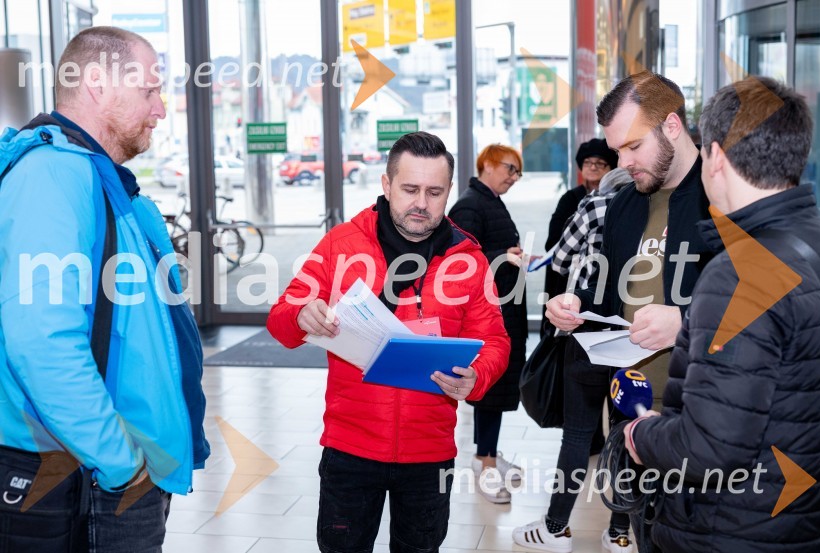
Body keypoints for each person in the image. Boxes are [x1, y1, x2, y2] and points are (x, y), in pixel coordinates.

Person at [0, 26, 209, 552]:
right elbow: (43, 343)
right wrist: (121, 463)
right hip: (83, 475)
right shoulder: (52, 176)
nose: (160, 110)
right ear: (96, 82)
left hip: (106, 470)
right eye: (150, 90)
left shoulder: (101, 180)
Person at [267, 131, 510, 553]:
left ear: (449, 191)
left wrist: (477, 377)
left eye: (435, 192)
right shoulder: (341, 245)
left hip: (429, 450)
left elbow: (495, 340)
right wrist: (299, 313)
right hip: (350, 446)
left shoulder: (468, 260)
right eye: (410, 189)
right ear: (386, 184)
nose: (422, 203)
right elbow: (281, 318)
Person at [624, 78, 820, 552]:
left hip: (730, 529)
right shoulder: (819, 243)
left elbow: (710, 451)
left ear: (715, 156)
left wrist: (642, 434)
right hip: (801, 521)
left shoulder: (739, 275)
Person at [514, 71, 711, 553]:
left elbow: (766, 303)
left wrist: (684, 321)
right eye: (615, 149)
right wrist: (574, 303)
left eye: (631, 147)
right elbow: (605, 288)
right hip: (633, 409)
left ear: (671, 126)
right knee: (646, 535)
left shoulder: (721, 197)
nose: (621, 163)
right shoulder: (625, 204)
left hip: (704, 416)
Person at [448, 144, 528, 504]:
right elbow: (458, 262)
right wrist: (503, 257)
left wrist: (509, 257)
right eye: (510, 169)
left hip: (503, 307)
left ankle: (486, 454)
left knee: (495, 389)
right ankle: (487, 465)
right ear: (488, 164)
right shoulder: (469, 204)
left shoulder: (489, 200)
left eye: (518, 172)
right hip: (487, 314)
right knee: (490, 389)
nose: (514, 177)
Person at [542, 138, 618, 305]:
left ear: (611, 168)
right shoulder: (570, 198)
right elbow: (553, 239)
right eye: (587, 162)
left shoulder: (620, 200)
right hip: (568, 275)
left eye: (600, 163)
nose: (592, 167)